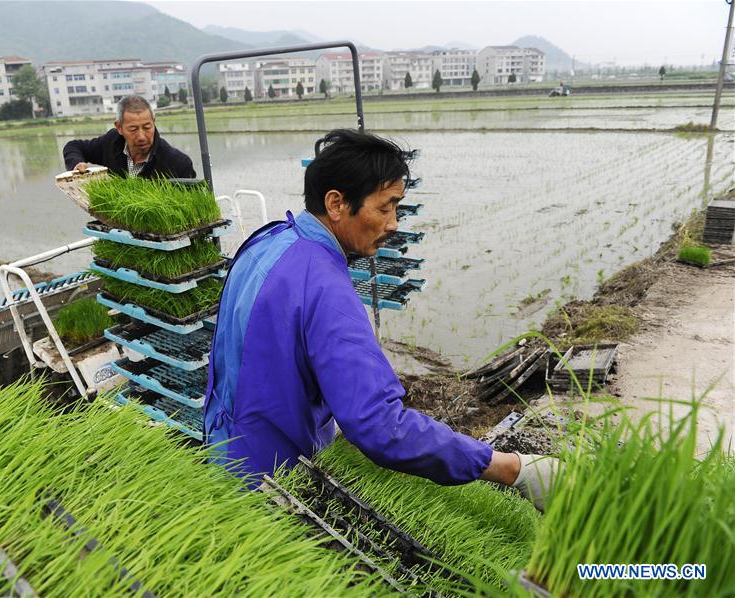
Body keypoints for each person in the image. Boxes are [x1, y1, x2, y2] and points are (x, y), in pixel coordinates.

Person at [204, 129, 558, 511]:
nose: (393, 224)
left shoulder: (268, 240)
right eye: (385, 207)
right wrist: (509, 468)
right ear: (337, 204)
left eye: (397, 208)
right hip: (270, 485)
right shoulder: (326, 289)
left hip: (223, 452)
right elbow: (379, 425)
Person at [63, 95, 195, 179]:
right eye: (133, 129)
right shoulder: (111, 142)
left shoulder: (179, 163)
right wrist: (76, 164)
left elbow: (193, 208)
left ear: (154, 122)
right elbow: (74, 146)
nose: (142, 136)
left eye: (147, 127)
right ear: (119, 127)